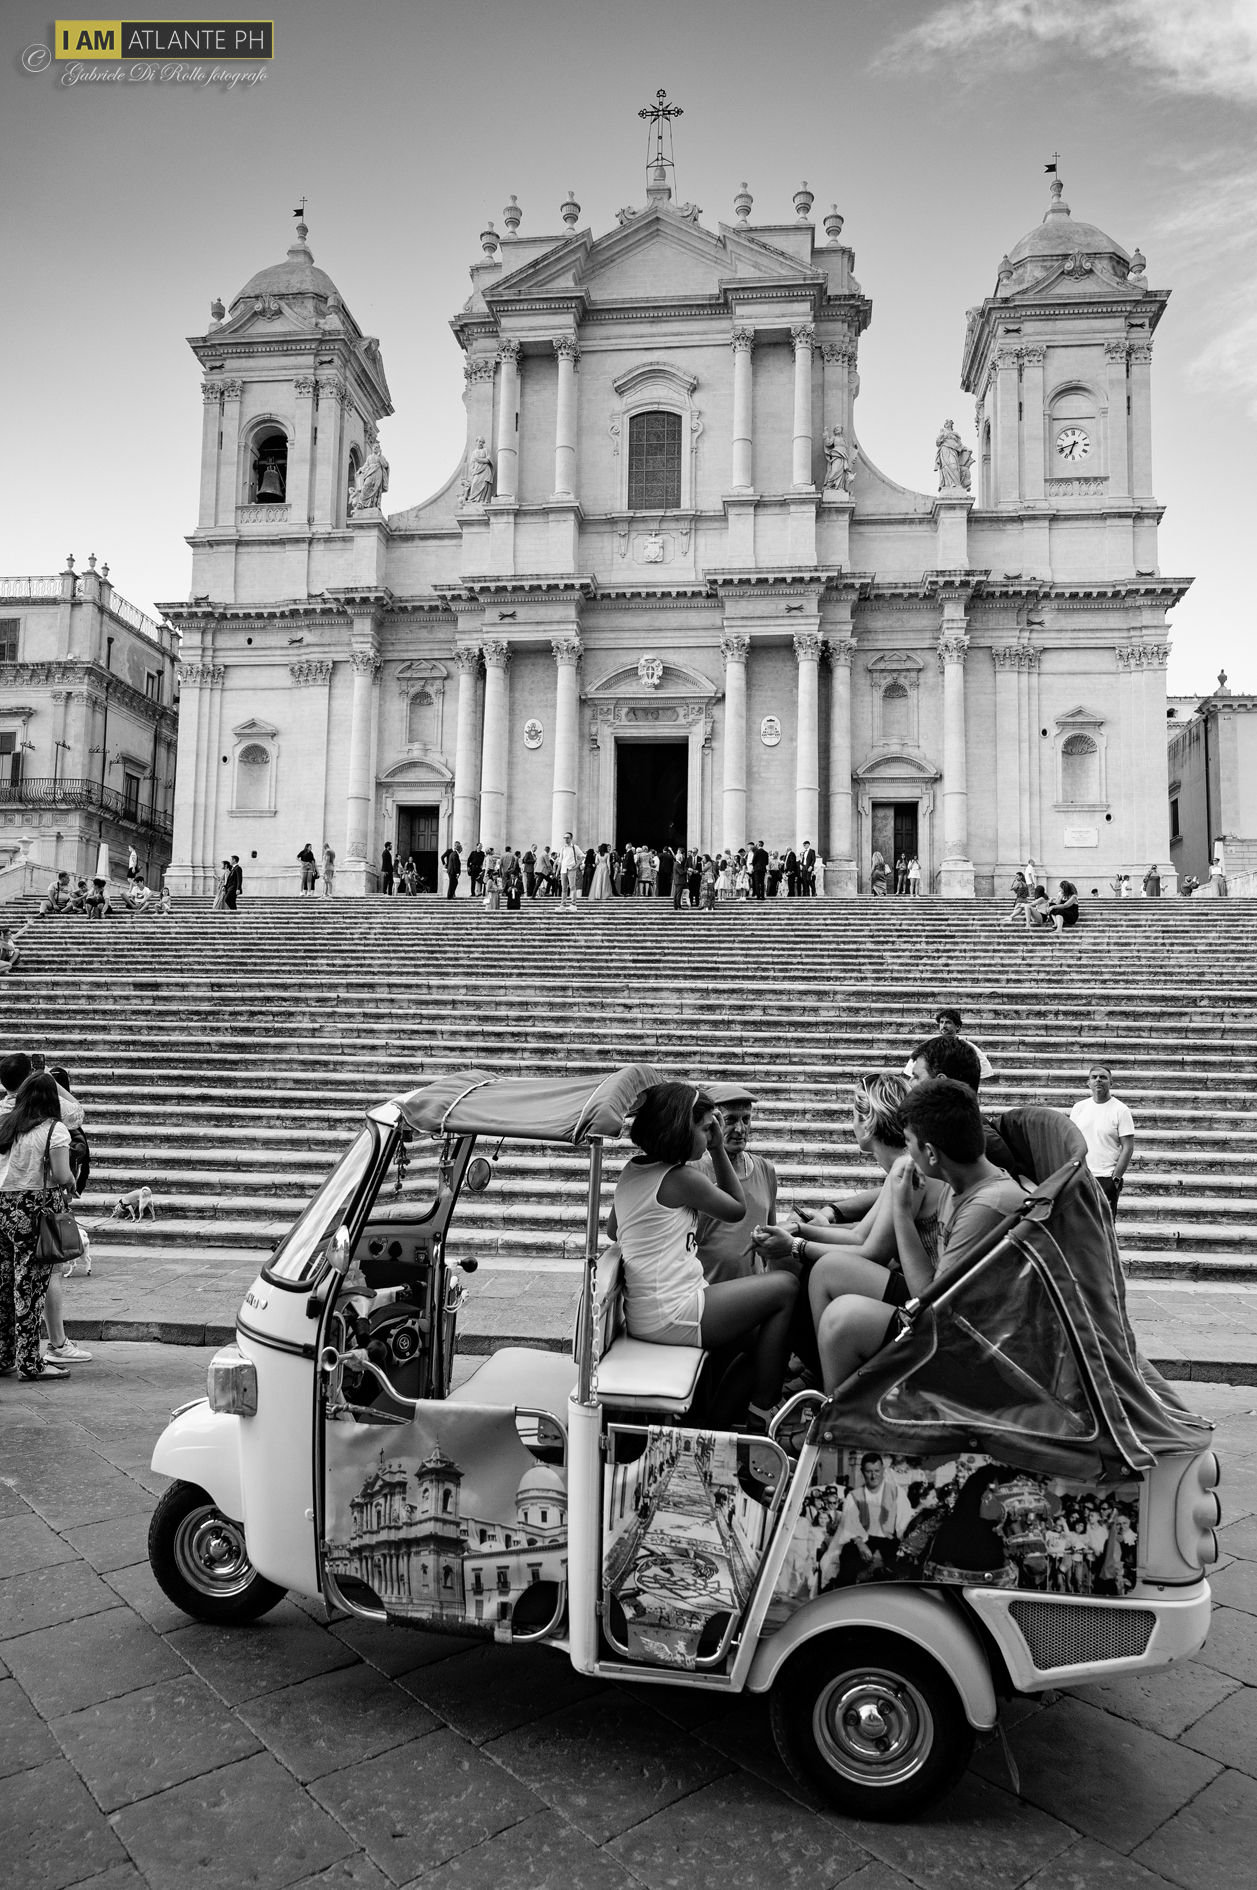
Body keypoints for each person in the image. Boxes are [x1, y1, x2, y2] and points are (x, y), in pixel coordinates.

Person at [606, 1082, 798, 1431]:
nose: (712, 1135)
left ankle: (717, 1427)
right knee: (786, 1286)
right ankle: (763, 1414)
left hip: (652, 1310)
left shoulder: (633, 1170)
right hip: (673, 1312)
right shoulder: (680, 1178)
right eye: (706, 1128)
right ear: (680, 1128)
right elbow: (737, 1209)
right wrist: (720, 1149)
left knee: (765, 1342)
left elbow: (613, 1231)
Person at [815, 1078, 1027, 1392]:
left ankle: (842, 1423)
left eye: (908, 1141)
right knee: (831, 1273)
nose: (905, 1152)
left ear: (929, 1153)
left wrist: (901, 1212)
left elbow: (930, 1306)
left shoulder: (987, 1206)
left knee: (841, 1320)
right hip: (959, 1325)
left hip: (977, 1353)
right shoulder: (961, 1181)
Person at [0, 1072, 78, 1379]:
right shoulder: (54, 1130)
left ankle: (4, 1355)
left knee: (6, 1285)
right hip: (34, 1211)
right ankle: (31, 1362)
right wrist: (71, 1182)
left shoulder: (7, 1124)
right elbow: (61, 1176)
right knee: (30, 1288)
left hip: (2, 1207)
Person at [1069, 1063, 1135, 1219]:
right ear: (1089, 1083)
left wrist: (1116, 1179)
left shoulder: (1121, 1110)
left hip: (1106, 1177)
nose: (1098, 1080)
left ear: (1111, 1083)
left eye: (1103, 1077)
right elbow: (1070, 1141)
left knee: (1105, 1227)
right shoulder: (1079, 1108)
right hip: (1081, 1175)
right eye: (1094, 1077)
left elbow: (1128, 1147)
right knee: (1079, 1224)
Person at [905, 1010, 993, 1082]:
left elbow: (984, 1071)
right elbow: (911, 1069)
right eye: (941, 1022)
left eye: (948, 1022)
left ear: (957, 1026)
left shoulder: (967, 1048)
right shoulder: (930, 1046)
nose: (944, 1025)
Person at [558, 831, 581, 907]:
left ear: (571, 838)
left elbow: (582, 856)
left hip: (571, 868)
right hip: (563, 869)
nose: (566, 839)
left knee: (572, 886)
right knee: (564, 887)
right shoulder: (562, 849)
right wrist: (557, 871)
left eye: (567, 838)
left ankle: (573, 903)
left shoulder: (575, 847)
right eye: (565, 838)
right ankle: (563, 902)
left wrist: (577, 865)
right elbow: (560, 861)